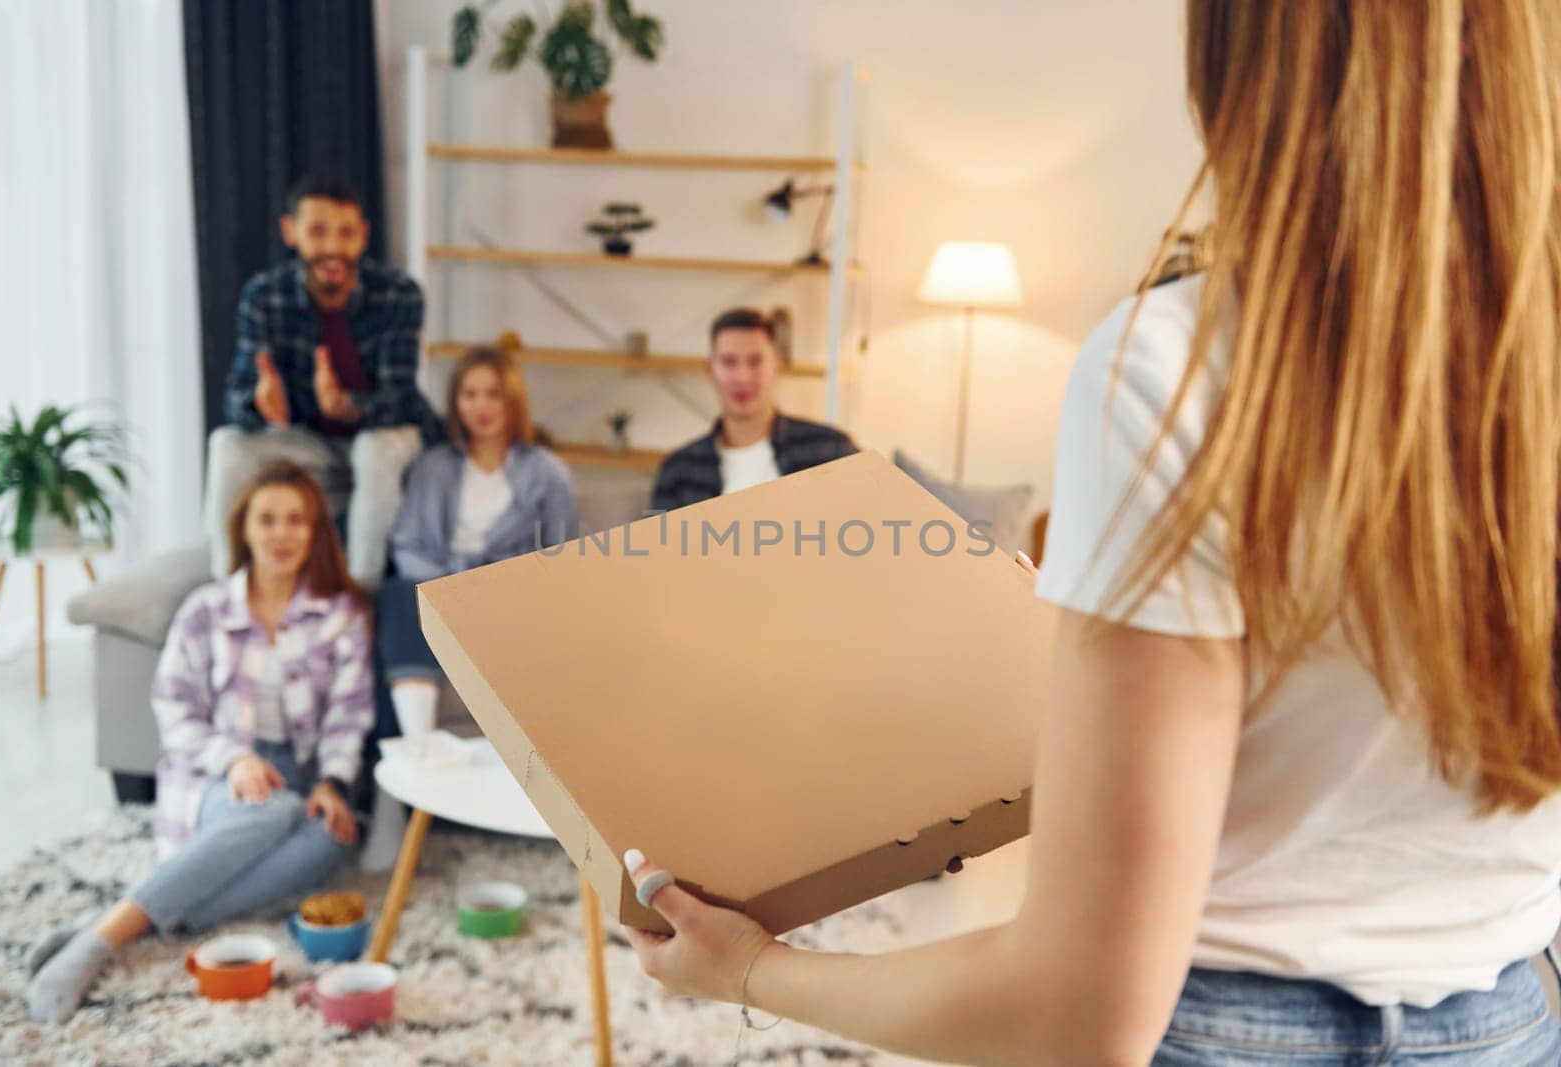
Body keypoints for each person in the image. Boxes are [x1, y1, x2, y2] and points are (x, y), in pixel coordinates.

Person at [618, 2, 1561, 1063]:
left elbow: (1079, 1009)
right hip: (1510, 1020)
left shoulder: (1174, 369)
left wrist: (745, 968)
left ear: (1235, 59)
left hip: (1225, 1030)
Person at [25, 460, 373, 1024]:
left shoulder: (342, 616)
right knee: (271, 808)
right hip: (215, 773)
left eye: (296, 521)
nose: (281, 534)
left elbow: (349, 717)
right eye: (267, 519)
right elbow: (175, 711)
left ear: (315, 533)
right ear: (244, 529)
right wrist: (234, 759)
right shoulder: (205, 611)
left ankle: (118, 923)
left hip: (304, 779)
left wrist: (333, 785)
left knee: (334, 840)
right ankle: (100, 942)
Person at [359, 346, 578, 870]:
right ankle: (417, 771)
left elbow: (566, 553)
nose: (481, 406)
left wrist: (492, 588)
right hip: (434, 594)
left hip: (510, 603)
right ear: (455, 403)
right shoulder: (434, 468)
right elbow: (407, 544)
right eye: (469, 394)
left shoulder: (545, 471)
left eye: (493, 394)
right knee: (397, 595)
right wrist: (449, 588)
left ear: (512, 401)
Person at [202, 172, 440, 589]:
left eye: (345, 233)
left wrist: (347, 406)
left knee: (373, 447)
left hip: (384, 441)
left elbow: (399, 400)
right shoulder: (265, 296)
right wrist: (259, 405)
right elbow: (237, 397)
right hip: (312, 443)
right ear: (290, 232)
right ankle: (229, 590)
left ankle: (360, 594)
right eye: (317, 231)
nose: (332, 248)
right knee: (227, 444)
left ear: (363, 236)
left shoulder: (398, 294)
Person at [649, 307, 855, 513]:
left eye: (755, 362)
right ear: (711, 370)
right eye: (729, 362)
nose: (743, 377)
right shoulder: (677, 471)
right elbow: (659, 545)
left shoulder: (832, 452)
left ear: (777, 366)